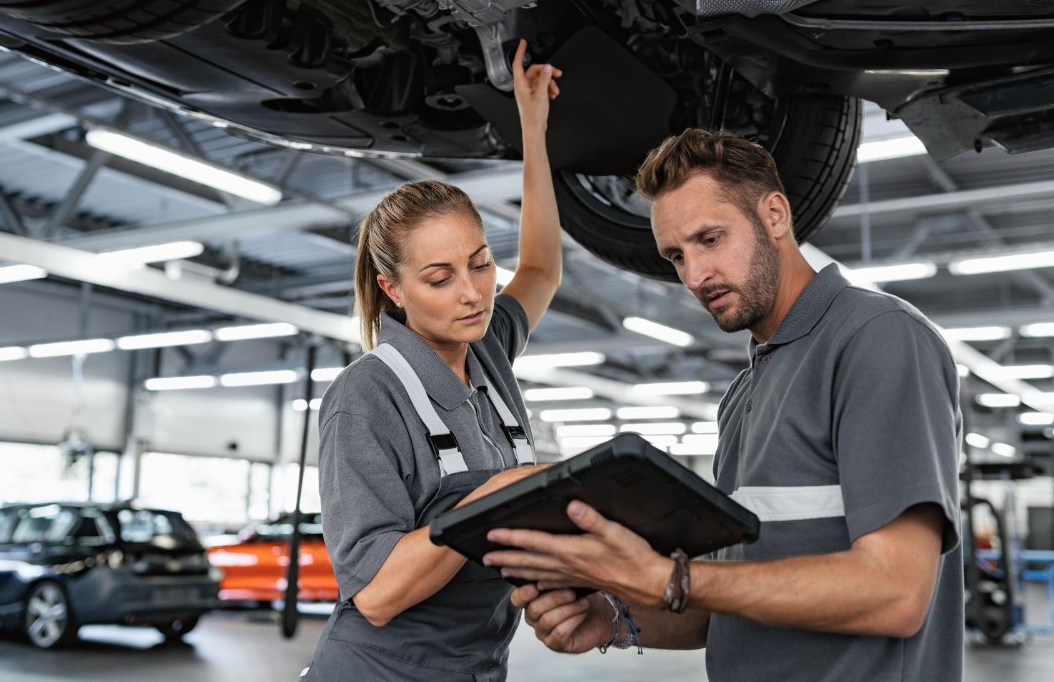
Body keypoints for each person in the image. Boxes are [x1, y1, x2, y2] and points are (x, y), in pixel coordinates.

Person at [484, 128, 964, 681]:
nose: (694, 275)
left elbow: (896, 593)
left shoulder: (876, 338)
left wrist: (670, 579)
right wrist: (615, 618)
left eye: (709, 239)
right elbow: (739, 603)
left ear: (776, 215)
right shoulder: (745, 392)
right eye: (676, 256)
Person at [300, 40, 563, 681]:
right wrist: (496, 496)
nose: (473, 293)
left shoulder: (488, 349)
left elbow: (542, 266)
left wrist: (532, 127)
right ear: (395, 290)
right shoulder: (365, 397)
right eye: (440, 278)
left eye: (479, 263)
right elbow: (378, 593)